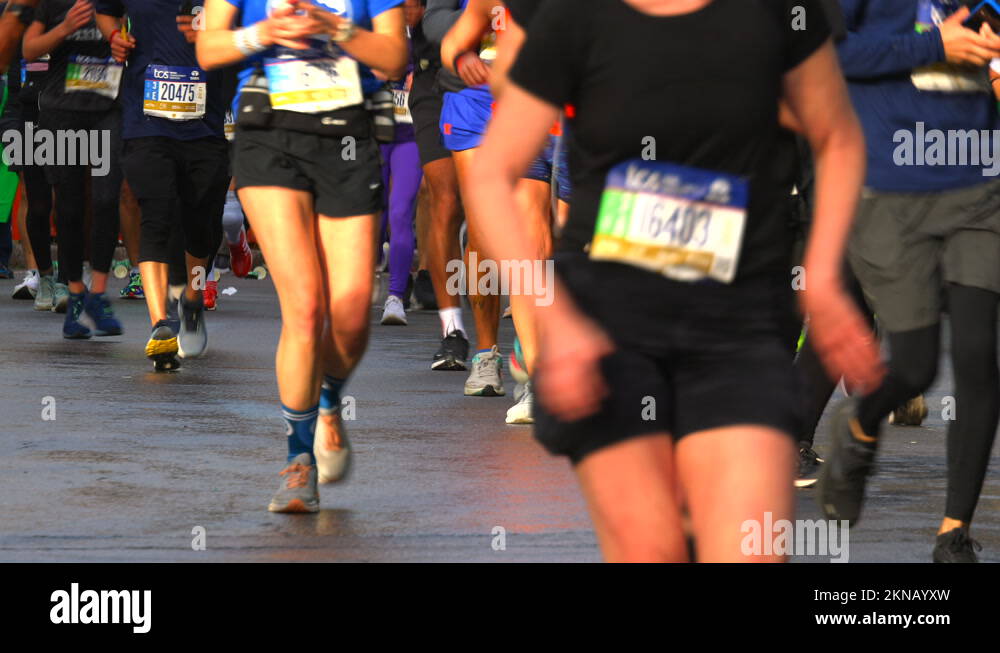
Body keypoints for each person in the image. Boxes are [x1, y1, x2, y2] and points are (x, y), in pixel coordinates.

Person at [469, 0, 882, 562]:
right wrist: (555, 318)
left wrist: (826, 277)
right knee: (652, 550)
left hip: (740, 326)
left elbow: (837, 136)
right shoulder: (575, 15)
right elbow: (493, 173)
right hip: (609, 330)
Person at [198, 0, 407, 513]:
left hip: (349, 137)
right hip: (268, 132)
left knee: (353, 311)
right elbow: (209, 48)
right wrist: (265, 32)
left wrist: (332, 26)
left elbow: (395, 54)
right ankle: (298, 462)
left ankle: (329, 397)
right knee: (306, 308)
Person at [819, 0, 1000, 563]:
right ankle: (862, 421)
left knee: (976, 353)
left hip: (979, 185)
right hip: (888, 189)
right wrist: (932, 46)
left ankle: (954, 533)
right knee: (915, 366)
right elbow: (828, 55)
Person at [95, 0, 231, 370]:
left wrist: (222, 38)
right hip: (147, 122)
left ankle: (191, 300)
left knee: (201, 228)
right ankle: (160, 326)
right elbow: (105, 9)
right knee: (155, 215)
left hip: (207, 123)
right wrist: (113, 36)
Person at [23, 0, 125, 338]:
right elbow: (29, 49)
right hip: (61, 113)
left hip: (107, 110)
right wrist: (65, 27)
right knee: (68, 208)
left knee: (107, 200)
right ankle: (76, 295)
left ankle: (98, 293)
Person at [378, 0, 424, 326]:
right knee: (375, 217)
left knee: (400, 212)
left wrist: (419, 75)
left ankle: (395, 297)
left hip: (410, 135)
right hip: (372, 135)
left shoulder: (430, 35)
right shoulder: (375, 25)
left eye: (412, 6)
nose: (406, 12)